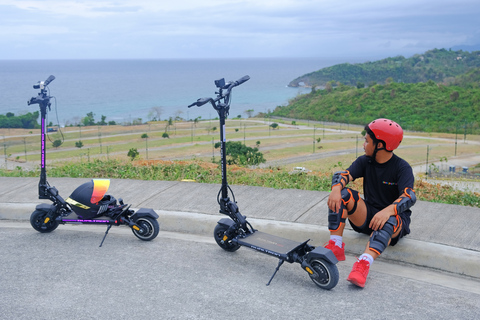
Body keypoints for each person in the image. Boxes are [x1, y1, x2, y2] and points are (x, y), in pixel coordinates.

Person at [325, 118, 416, 288]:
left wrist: (388, 211)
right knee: (343, 194)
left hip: (394, 222)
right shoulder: (365, 161)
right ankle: (335, 246)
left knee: (390, 220)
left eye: (367, 141)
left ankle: (363, 264)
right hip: (369, 217)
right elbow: (343, 175)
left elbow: (409, 196)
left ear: (380, 145)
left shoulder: (402, 168)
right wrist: (336, 189)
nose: (363, 144)